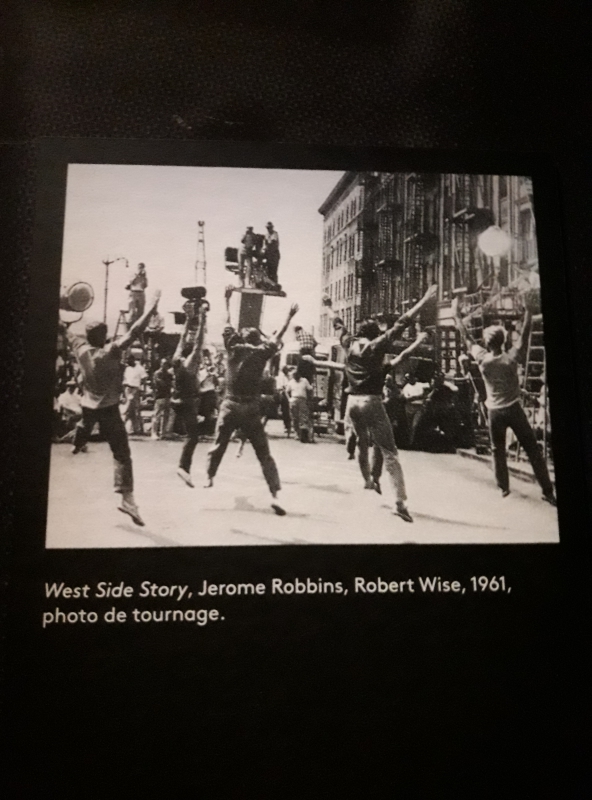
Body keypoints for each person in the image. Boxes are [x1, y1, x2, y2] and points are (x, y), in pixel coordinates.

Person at [323, 285, 437, 523]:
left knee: (361, 442)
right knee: (389, 452)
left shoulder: (348, 343)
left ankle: (367, 479)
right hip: (372, 401)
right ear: (375, 333)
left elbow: (337, 323)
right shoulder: (377, 346)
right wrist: (425, 299)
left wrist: (329, 305)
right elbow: (403, 322)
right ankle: (400, 502)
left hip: (352, 402)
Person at [61, 290, 162, 526]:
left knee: (85, 424)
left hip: (88, 404)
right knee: (122, 454)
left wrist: (63, 311)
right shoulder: (111, 351)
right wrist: (151, 306)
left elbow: (65, 331)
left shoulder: (79, 347)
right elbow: (135, 330)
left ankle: (78, 443)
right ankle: (127, 499)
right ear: (104, 336)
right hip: (108, 408)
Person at [452, 294, 556, 504]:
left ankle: (503, 487)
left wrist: (455, 314)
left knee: (497, 449)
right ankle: (547, 490)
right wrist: (529, 311)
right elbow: (525, 334)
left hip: (495, 412)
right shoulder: (511, 358)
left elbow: (466, 336)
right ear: (504, 340)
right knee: (532, 449)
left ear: (487, 342)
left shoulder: (482, 358)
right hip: (513, 409)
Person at [205, 286, 299, 515]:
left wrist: (226, 299)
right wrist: (289, 316)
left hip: (230, 404)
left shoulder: (233, 347)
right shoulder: (261, 353)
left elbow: (227, 321)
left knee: (219, 443)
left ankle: (209, 476)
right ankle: (275, 494)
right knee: (264, 454)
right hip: (250, 407)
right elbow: (277, 336)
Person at [171, 303, 208, 487]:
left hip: (177, 400)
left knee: (190, 429)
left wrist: (188, 318)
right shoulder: (190, 364)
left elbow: (182, 338)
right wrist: (202, 319)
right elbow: (198, 343)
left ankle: (184, 467)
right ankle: (183, 467)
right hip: (187, 402)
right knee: (193, 437)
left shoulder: (177, 358)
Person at [286, 366, 314, 443]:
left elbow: (310, 389)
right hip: (293, 400)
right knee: (295, 418)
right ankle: (297, 433)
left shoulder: (304, 381)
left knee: (303, 417)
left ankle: (304, 435)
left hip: (302, 400)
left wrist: (309, 399)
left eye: (296, 375)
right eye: (294, 376)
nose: (295, 377)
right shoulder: (291, 382)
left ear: (299, 375)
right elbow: (286, 391)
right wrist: (289, 399)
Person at [122, 355, 147, 434]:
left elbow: (144, 379)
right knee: (130, 409)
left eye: (129, 360)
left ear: (133, 360)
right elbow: (124, 380)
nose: (127, 362)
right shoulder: (127, 368)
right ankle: (136, 428)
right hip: (127, 388)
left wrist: (144, 390)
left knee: (133, 408)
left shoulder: (140, 368)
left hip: (135, 389)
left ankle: (136, 428)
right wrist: (123, 393)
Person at [151, 358, 173, 440]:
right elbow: (159, 383)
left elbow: (171, 384)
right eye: (163, 364)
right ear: (161, 364)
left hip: (167, 396)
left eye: (166, 364)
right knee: (157, 415)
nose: (165, 366)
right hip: (159, 396)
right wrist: (167, 384)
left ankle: (163, 433)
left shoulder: (169, 374)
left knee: (166, 416)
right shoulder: (157, 373)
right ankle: (154, 433)